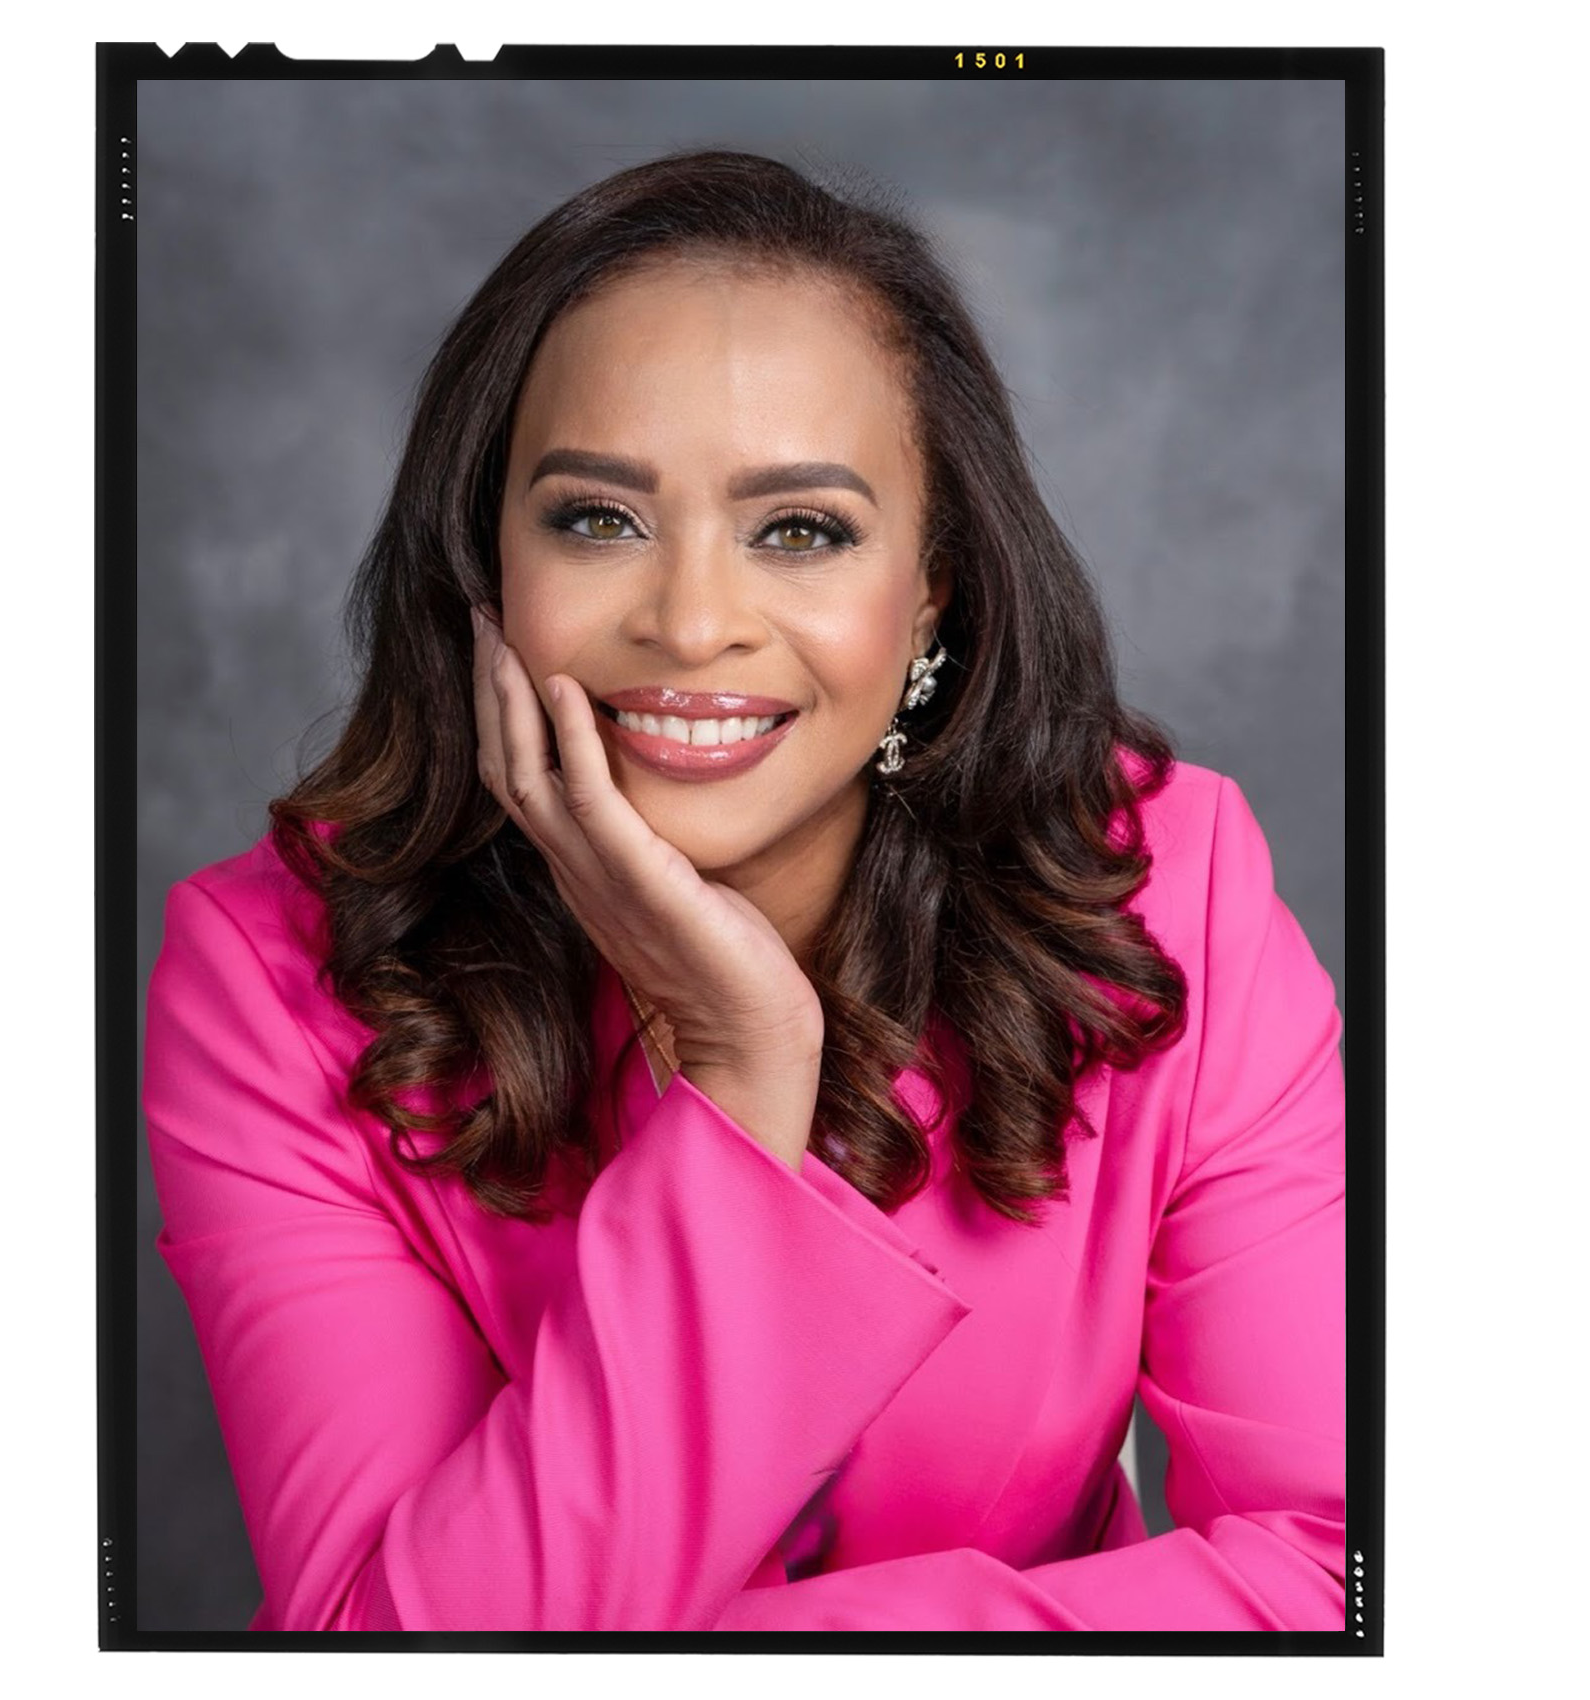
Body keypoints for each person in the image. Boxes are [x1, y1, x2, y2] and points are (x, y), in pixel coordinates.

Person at [143, 149, 1346, 1632]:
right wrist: (740, 1069)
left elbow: (1336, 1573)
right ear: (485, 560)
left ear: (932, 589)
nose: (693, 622)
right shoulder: (270, 976)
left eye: (802, 530)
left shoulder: (1166, 890)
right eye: (597, 518)